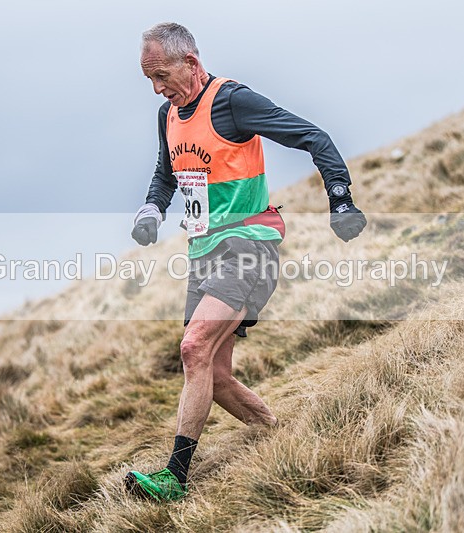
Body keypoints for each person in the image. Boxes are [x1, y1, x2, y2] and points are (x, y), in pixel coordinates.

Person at [125, 22, 366, 502]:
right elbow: (166, 172)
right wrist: (153, 207)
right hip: (203, 252)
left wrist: (340, 199)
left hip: (249, 244)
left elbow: (313, 137)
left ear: (191, 63)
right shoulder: (166, 115)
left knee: (193, 347)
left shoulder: (232, 102)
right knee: (212, 373)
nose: (157, 88)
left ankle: (175, 478)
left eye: (162, 74)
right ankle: (279, 435)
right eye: (148, 79)